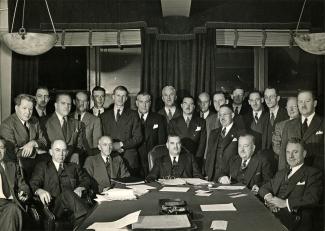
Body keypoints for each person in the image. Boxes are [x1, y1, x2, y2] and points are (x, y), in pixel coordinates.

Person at [259, 138, 322, 231]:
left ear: (304, 154)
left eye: (295, 152)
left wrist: (285, 203)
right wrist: (270, 198)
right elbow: (264, 188)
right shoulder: (281, 173)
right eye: (288, 152)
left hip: (294, 221)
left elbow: (313, 198)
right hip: (272, 216)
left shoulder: (313, 173)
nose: (290, 156)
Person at [30, 140, 91, 229]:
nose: (61, 154)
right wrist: (39, 191)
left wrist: (80, 187)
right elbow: (33, 184)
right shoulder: (42, 166)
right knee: (67, 193)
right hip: (54, 206)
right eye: (57, 150)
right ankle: (89, 220)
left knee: (78, 215)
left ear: (67, 152)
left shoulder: (73, 166)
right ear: (51, 152)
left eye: (64, 150)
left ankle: (84, 223)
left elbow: (86, 180)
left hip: (74, 208)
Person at [0, 94, 48, 179]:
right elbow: (13, 152)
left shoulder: (35, 120)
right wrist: (35, 152)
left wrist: (33, 143)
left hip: (36, 165)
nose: (28, 112)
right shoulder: (6, 125)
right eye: (24, 108)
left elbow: (44, 141)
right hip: (17, 167)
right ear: (16, 108)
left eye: (31, 109)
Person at [100, 86, 142, 176]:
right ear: (113, 97)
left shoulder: (134, 115)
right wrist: (112, 146)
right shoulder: (104, 116)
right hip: (111, 157)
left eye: (123, 96)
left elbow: (138, 138)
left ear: (126, 98)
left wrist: (120, 144)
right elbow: (101, 137)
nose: (120, 98)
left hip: (129, 158)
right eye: (118, 95)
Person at [279, 90, 324, 170]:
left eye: (307, 101)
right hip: (293, 176)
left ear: (315, 103)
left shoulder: (323, 123)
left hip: (316, 175)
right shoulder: (289, 125)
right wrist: (282, 177)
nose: (303, 105)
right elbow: (283, 153)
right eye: (300, 102)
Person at [205, 105, 244, 181]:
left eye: (225, 114)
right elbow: (209, 155)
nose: (222, 118)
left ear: (232, 115)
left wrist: (231, 176)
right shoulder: (214, 133)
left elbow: (242, 157)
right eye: (220, 115)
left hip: (229, 178)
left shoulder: (240, 133)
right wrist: (208, 173)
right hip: (213, 177)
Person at [44, 93, 84, 164]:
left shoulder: (77, 123)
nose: (66, 106)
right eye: (63, 103)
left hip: (71, 165)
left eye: (69, 104)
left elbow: (79, 144)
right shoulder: (45, 122)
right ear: (56, 105)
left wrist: (76, 153)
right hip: (50, 165)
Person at [0, 138, 30, 231]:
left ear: (5, 150)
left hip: (11, 203)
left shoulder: (12, 166)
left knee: (13, 209)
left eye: (1, 148)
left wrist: (24, 193)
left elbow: (23, 185)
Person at [168, 96, 206, 167]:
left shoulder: (201, 122)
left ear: (194, 107)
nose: (188, 106)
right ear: (181, 105)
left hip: (195, 160)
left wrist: (197, 160)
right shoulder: (173, 122)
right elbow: (171, 144)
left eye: (191, 104)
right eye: (185, 103)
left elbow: (202, 144)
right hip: (179, 159)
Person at [135, 92, 167, 177]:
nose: (144, 105)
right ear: (137, 103)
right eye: (141, 102)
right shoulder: (131, 116)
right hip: (134, 160)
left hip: (152, 159)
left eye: (147, 102)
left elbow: (162, 142)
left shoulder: (159, 118)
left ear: (150, 103)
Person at [72, 91, 102, 156]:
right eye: (79, 101)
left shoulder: (95, 120)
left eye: (84, 101)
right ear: (74, 102)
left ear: (88, 103)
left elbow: (96, 147)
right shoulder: (67, 118)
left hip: (87, 158)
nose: (82, 103)